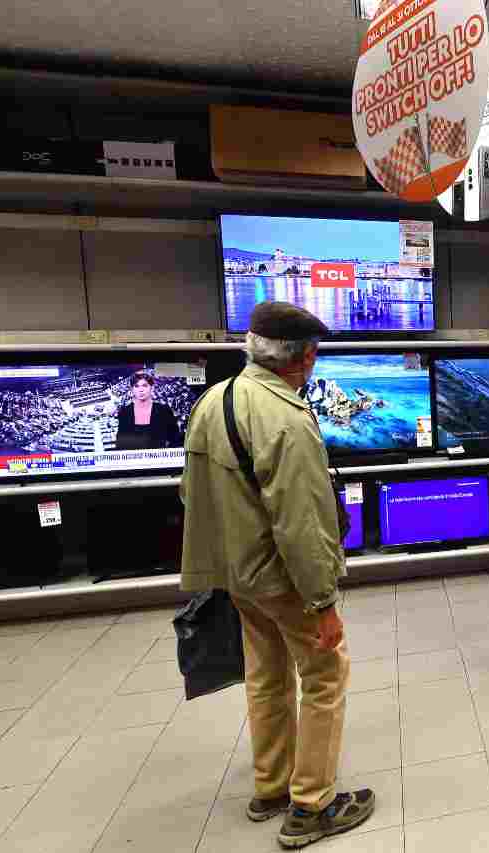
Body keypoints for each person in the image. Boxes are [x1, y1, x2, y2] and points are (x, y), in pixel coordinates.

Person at [180, 302, 375, 849]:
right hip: (283, 578)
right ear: (304, 357)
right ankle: (312, 805)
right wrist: (323, 602)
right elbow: (302, 523)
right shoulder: (287, 419)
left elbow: (191, 494)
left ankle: (270, 788)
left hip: (237, 575)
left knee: (266, 675)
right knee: (325, 674)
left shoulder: (213, 400)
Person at [116, 372, 181, 450]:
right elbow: (120, 444)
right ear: (132, 390)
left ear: (152, 388)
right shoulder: (125, 412)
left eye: (145, 386)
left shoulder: (164, 410)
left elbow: (175, 440)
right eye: (136, 386)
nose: (141, 390)